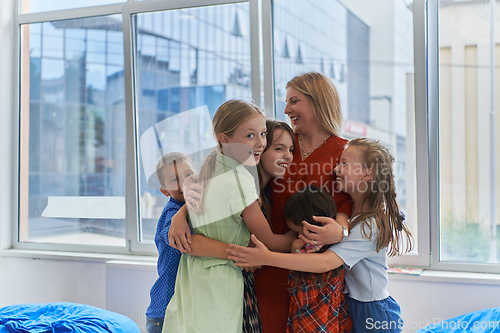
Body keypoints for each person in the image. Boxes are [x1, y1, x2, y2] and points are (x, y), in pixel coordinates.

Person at [227, 138, 414, 333]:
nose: (336, 169)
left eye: (345, 164)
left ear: (368, 173)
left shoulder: (370, 225)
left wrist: (266, 257)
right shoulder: (352, 214)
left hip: (373, 310)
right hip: (352, 304)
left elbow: (326, 262)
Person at [163, 100, 296, 333]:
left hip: (193, 280)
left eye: (262, 135)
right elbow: (270, 241)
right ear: (225, 139)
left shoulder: (213, 165)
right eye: (250, 136)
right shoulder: (239, 179)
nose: (259, 143)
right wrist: (301, 236)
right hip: (218, 282)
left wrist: (181, 214)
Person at [253, 71, 353, 332]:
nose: (286, 109)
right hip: (267, 267)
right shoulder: (279, 143)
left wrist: (339, 230)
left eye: (294, 101)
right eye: (286, 102)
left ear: (317, 101)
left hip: (316, 278)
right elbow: (232, 180)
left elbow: (348, 205)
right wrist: (181, 213)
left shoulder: (345, 152)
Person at [283, 184, 352, 333]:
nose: (297, 238)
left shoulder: (313, 259)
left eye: (297, 233)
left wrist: (295, 257)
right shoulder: (335, 250)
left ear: (310, 227)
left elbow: (301, 298)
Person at [145, 152, 196, 333]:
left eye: (189, 175)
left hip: (179, 309)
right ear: (165, 191)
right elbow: (183, 242)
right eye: (175, 180)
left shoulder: (192, 207)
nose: (184, 182)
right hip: (163, 313)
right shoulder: (171, 214)